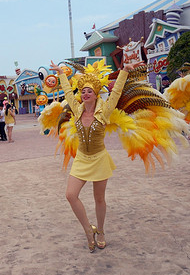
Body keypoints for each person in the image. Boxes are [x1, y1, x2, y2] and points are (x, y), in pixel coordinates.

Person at [49, 60, 136, 252]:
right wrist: (61, 74)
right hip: (81, 158)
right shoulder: (76, 109)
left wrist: (123, 72)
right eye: (83, 91)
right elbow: (67, 93)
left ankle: (102, 231)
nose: (85, 93)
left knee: (99, 199)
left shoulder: (104, 110)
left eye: (89, 91)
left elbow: (116, 94)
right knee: (70, 195)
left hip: (99, 158)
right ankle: (89, 230)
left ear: (96, 95)